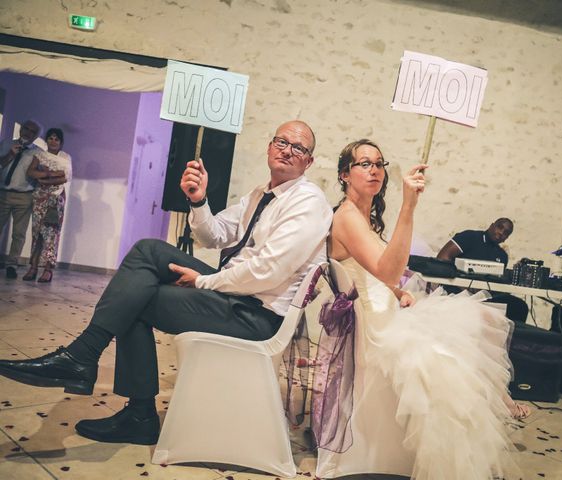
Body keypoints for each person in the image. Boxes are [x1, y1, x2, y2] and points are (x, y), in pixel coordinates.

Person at [0, 120, 333, 446]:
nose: (287, 151)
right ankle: (89, 363)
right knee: (148, 251)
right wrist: (199, 200)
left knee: (136, 300)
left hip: (257, 316)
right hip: (236, 297)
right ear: (270, 146)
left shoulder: (307, 201)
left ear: (309, 160)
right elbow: (212, 235)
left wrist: (204, 281)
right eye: (282, 142)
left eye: (299, 148)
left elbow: (267, 271)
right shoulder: (261, 193)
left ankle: (124, 400)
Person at [329, 139, 527, 480]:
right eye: (364, 163)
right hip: (375, 327)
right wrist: (409, 207)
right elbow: (387, 268)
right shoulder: (346, 217)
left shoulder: (364, 218)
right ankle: (457, 455)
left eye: (379, 163)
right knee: (449, 359)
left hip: (387, 308)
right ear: (345, 174)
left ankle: (498, 395)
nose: (374, 169)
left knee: (478, 318)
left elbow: (376, 272)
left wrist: (397, 291)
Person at [436, 218, 530, 324]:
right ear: (492, 225)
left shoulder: (502, 255)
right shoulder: (469, 237)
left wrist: (513, 275)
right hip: (457, 290)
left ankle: (509, 339)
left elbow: (496, 281)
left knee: (519, 307)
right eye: (500, 227)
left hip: (484, 296)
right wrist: (461, 283)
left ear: (506, 238)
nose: (501, 233)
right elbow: (442, 258)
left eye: (506, 233)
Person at [22, 128, 72, 283]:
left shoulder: (65, 157)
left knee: (52, 235)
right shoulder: (41, 155)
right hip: (40, 199)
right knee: (37, 234)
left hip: (56, 201)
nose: (53, 141)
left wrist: (44, 177)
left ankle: (48, 270)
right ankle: (33, 268)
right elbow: (31, 172)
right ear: (46, 140)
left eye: (56, 139)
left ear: (61, 142)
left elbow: (64, 177)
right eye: (50, 138)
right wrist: (51, 173)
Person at [0, 119, 43, 279]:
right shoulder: (6, 144)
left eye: (32, 131)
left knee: (19, 234)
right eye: (26, 129)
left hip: (25, 196)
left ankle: (12, 264)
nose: (27, 133)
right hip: (3, 193)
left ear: (36, 136)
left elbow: (38, 174)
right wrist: (10, 154)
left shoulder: (38, 153)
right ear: (21, 129)